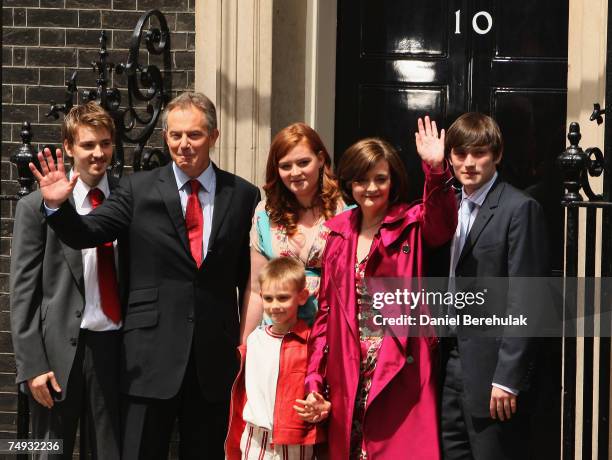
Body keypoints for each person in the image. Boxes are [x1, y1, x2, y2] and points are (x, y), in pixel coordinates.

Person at [29, 92, 260, 459]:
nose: (183, 145)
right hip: (148, 360)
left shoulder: (245, 195)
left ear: (214, 136)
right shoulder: (137, 189)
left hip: (214, 361)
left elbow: (251, 282)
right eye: (175, 135)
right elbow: (88, 233)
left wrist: (248, 343)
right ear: (165, 137)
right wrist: (57, 208)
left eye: (194, 135)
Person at [305, 120, 457, 459]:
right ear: (348, 184)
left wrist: (435, 169)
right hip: (349, 368)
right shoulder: (338, 234)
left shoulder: (413, 223)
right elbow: (325, 316)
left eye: (380, 179)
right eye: (360, 180)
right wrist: (313, 380)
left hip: (400, 366)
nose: (370, 188)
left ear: (394, 181)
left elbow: (443, 224)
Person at [11, 102, 122, 459]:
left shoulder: (129, 199)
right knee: (48, 452)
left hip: (113, 350)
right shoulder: (34, 207)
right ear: (69, 147)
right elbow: (23, 291)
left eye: (105, 143)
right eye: (88, 145)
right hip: (56, 354)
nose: (98, 153)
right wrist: (32, 366)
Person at [435, 112, 549, 459]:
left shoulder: (519, 208)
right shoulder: (448, 204)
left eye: (479, 153)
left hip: (492, 369)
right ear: (450, 157)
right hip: (448, 361)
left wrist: (508, 378)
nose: (468, 163)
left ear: (497, 155)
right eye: (460, 154)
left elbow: (526, 299)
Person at [240, 123, 344, 342]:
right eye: (285, 166)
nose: (295, 172)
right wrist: (246, 347)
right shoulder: (265, 215)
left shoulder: (345, 212)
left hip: (332, 336)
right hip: (279, 339)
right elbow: (257, 290)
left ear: (321, 159)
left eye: (303, 162)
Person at [226, 257, 327, 460]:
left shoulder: (312, 343)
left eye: (283, 298)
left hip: (295, 442)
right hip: (255, 440)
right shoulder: (254, 340)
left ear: (302, 296)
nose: (275, 305)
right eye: (269, 298)